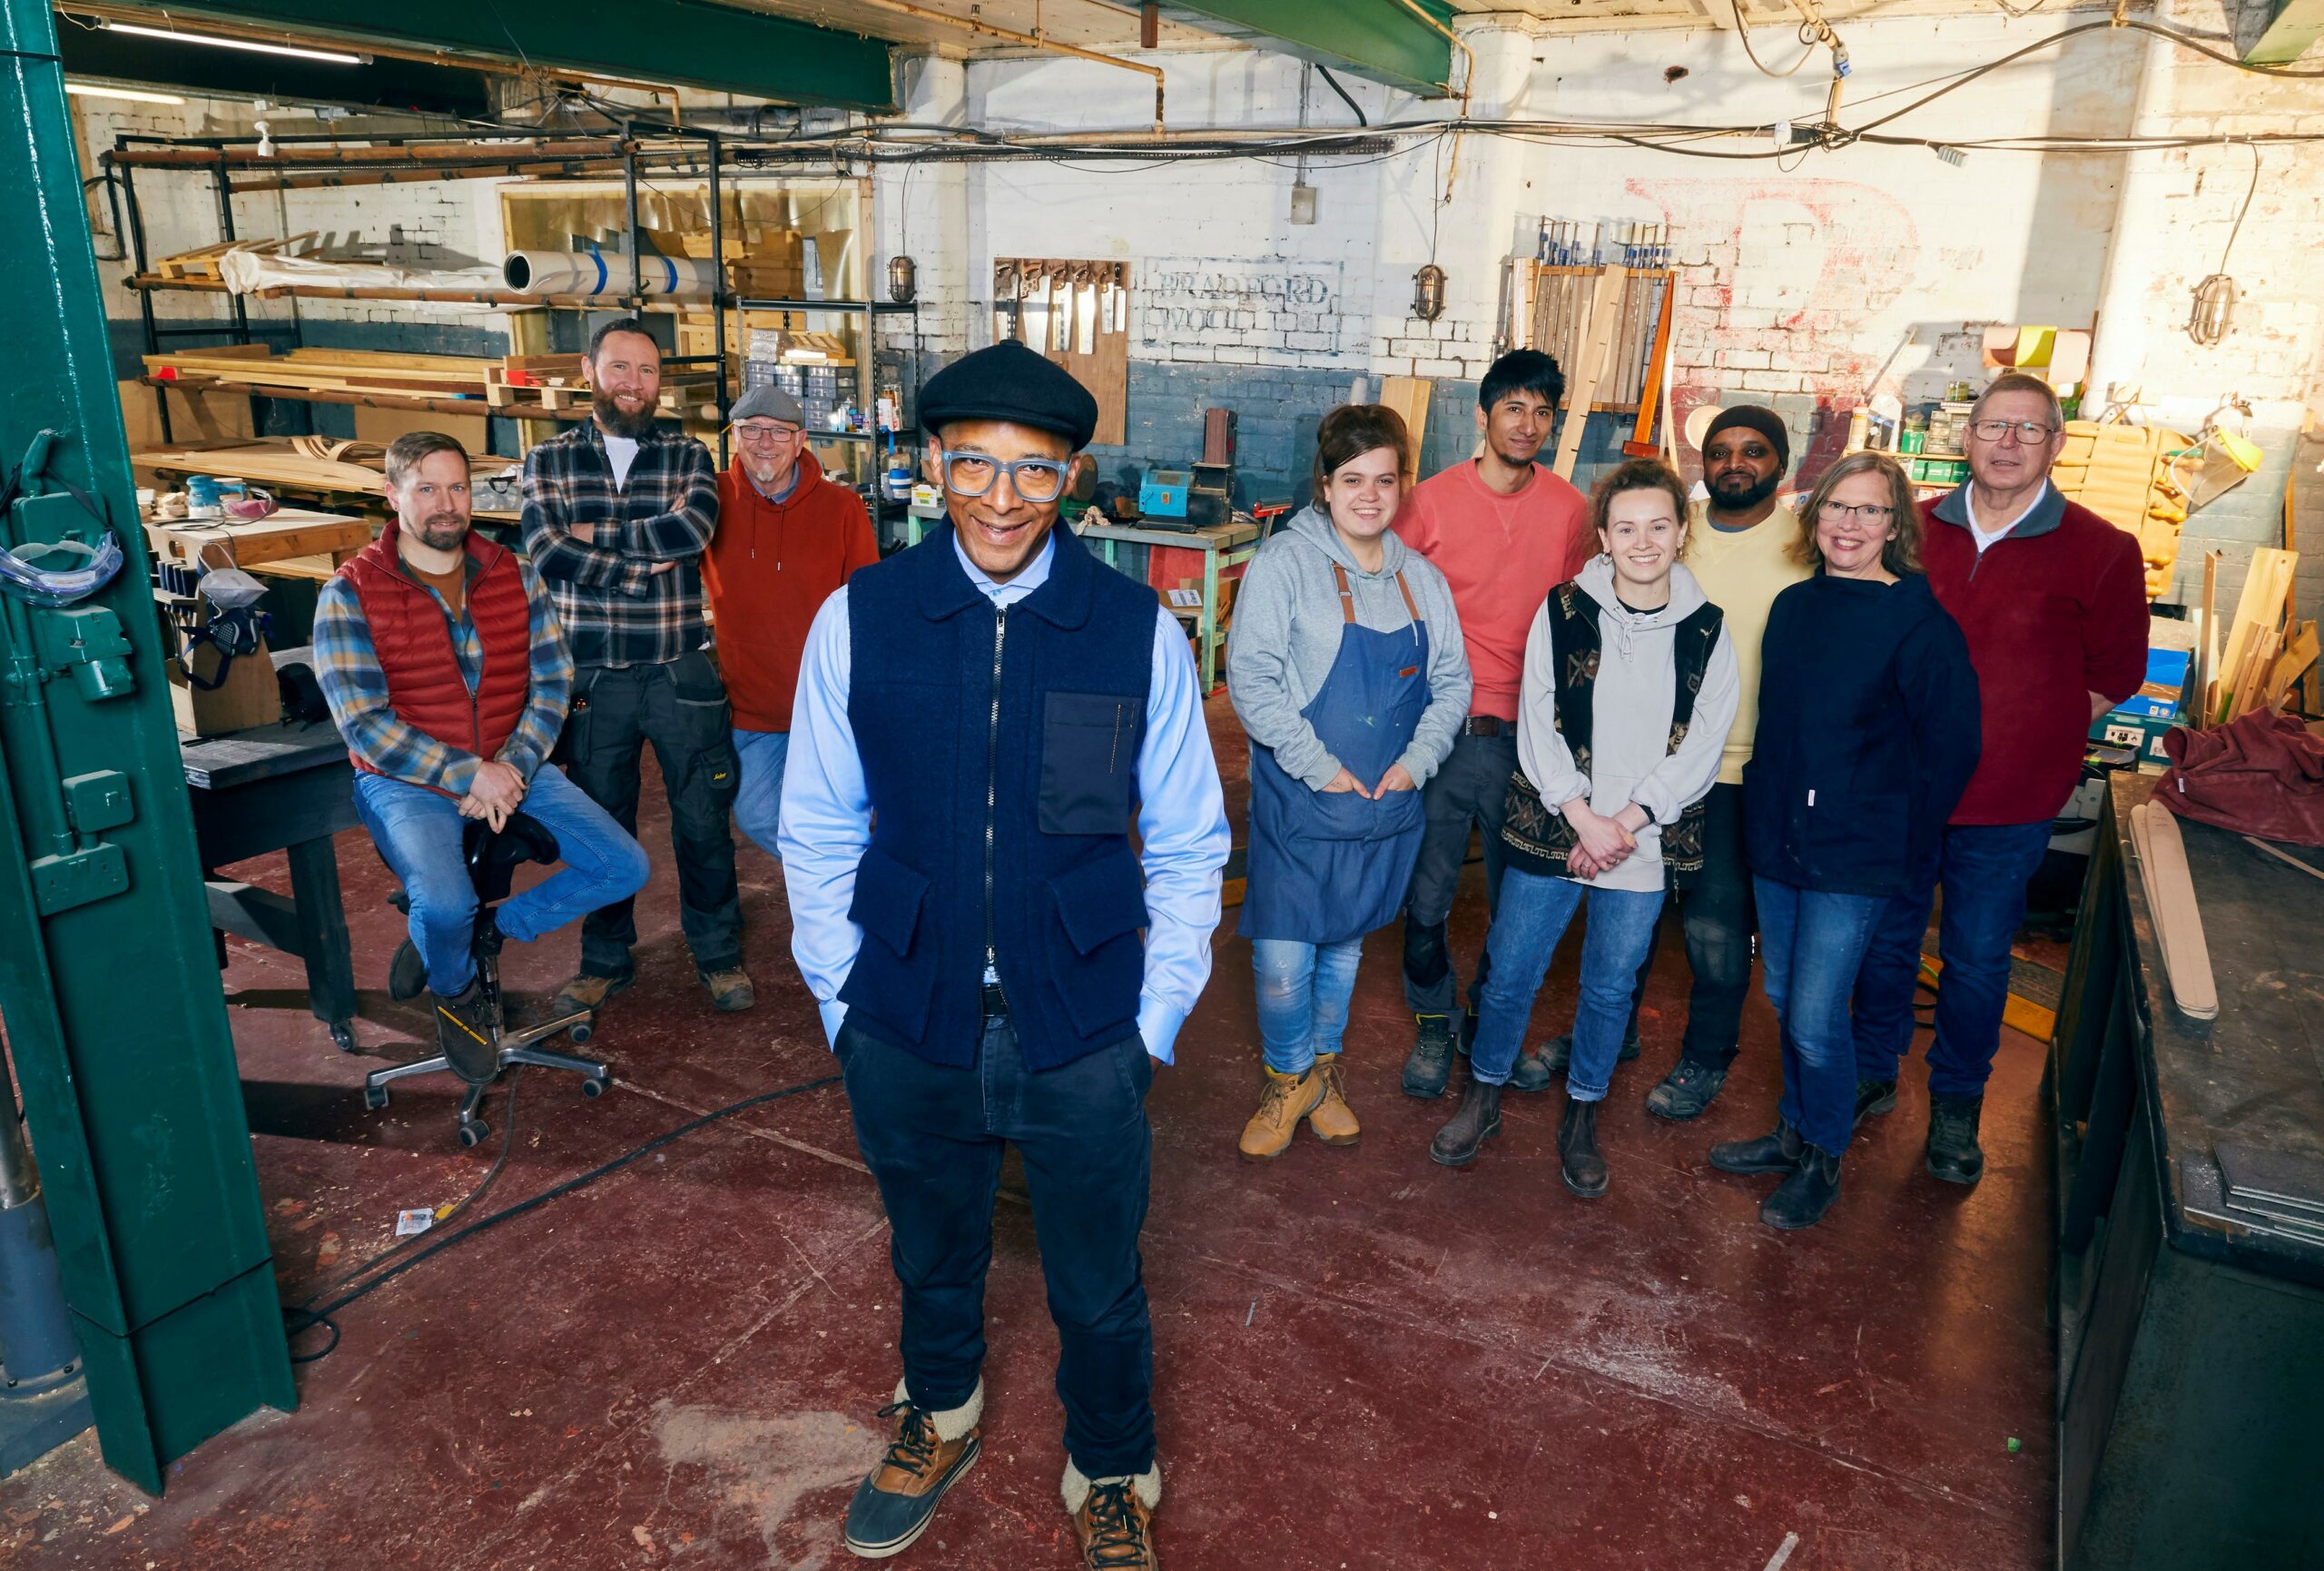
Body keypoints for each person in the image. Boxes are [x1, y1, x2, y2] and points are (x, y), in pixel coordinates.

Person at [778, 340, 1229, 1570]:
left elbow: (1190, 839)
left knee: (1097, 1279)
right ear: (931, 465)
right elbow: (816, 821)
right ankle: (943, 1412)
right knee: (930, 1251)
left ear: (1073, 479)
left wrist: (1154, 1020)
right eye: (972, 462)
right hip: (905, 1007)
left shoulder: (1131, 628)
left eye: (1034, 472)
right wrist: (841, 995)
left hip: (1081, 1021)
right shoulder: (863, 617)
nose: (999, 496)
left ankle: (1115, 1463)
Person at [1850, 371, 2148, 1185]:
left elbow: (2115, 673)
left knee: (1977, 958)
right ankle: (1873, 1071)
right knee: (1884, 940)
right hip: (1902, 791)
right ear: (1967, 437)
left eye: (2028, 430)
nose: (2008, 444)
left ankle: (1955, 1106)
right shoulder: (1908, 529)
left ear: (2055, 444)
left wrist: (2031, 735)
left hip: (2008, 802)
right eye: (1993, 427)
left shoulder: (2103, 549)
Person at [1428, 458, 1738, 1196]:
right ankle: (1486, 1093)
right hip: (1553, 826)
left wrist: (1623, 823)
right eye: (1626, 527)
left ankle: (1583, 1114)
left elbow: (1703, 743)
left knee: (1609, 987)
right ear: (1603, 536)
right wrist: (1579, 813)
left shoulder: (1706, 629)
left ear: (1680, 533)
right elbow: (1538, 717)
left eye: (1658, 526)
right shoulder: (1562, 610)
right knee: (1510, 975)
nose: (1642, 542)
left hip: (1639, 840)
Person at [314, 431, 650, 1082]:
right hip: (406, 782)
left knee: (624, 866)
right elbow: (363, 724)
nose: (448, 504)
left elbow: (552, 682)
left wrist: (513, 766)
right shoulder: (350, 592)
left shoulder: (513, 572)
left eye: (459, 487)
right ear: (392, 495)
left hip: (510, 761)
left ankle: (485, 938)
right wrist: (471, 774)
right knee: (443, 906)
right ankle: (456, 985)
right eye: (428, 488)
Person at [1709, 452, 1980, 1230]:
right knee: (1786, 996)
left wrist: (1900, 839)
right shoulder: (1795, 607)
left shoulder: (1920, 624)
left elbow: (1951, 749)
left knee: (1817, 1016)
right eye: (1837, 508)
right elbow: (1783, 724)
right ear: (1815, 517)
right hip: (1781, 834)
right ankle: (1796, 1131)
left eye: (1869, 512)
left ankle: (1824, 1156)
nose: (1850, 525)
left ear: (1896, 527)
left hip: (1855, 854)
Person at [1528, 405, 1812, 1120]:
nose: (1735, 463)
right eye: (1719, 452)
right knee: (1632, 919)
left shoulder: (1804, 543)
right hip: (1647, 770)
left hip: (1740, 770)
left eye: (1753, 451)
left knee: (1716, 926)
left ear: (1782, 462)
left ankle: (1705, 1058)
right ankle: (1610, 1032)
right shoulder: (1666, 531)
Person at [1226, 404, 1471, 1161]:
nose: (1370, 495)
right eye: (1352, 479)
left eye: (1385, 480)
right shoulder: (1284, 565)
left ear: (1405, 486)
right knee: (1282, 959)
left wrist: (1416, 763)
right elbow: (1252, 681)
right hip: (1303, 799)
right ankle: (1285, 1076)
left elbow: (1453, 684)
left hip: (1385, 803)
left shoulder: (1422, 581)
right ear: (1324, 486)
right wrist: (1322, 768)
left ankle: (1321, 1077)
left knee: (1343, 950)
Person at [521, 317, 753, 1018]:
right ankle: (603, 960)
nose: (633, 384)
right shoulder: (549, 459)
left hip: (679, 670)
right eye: (620, 368)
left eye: (647, 371)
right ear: (588, 371)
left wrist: (596, 536)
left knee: (704, 819)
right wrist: (636, 570)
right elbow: (546, 549)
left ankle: (717, 955)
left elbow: (692, 532)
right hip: (594, 677)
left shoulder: (687, 455)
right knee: (601, 822)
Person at [1390, 350, 1594, 1101]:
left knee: (1517, 908)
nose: (1529, 425)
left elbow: (1582, 618)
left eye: (1543, 412)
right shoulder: (1431, 502)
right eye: (1514, 408)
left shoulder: (1571, 511)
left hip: (1533, 744)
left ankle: (1483, 1020)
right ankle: (1433, 1019)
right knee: (1425, 900)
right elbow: (1391, 601)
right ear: (1483, 415)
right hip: (1444, 733)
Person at [702, 382, 879, 856]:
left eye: (779, 432)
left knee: (846, 814)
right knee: (760, 815)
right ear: (735, 436)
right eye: (752, 429)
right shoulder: (710, 499)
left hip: (828, 703)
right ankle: (846, 891)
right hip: (752, 708)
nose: (765, 442)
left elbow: (866, 605)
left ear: (801, 441)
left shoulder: (843, 508)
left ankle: (860, 906)